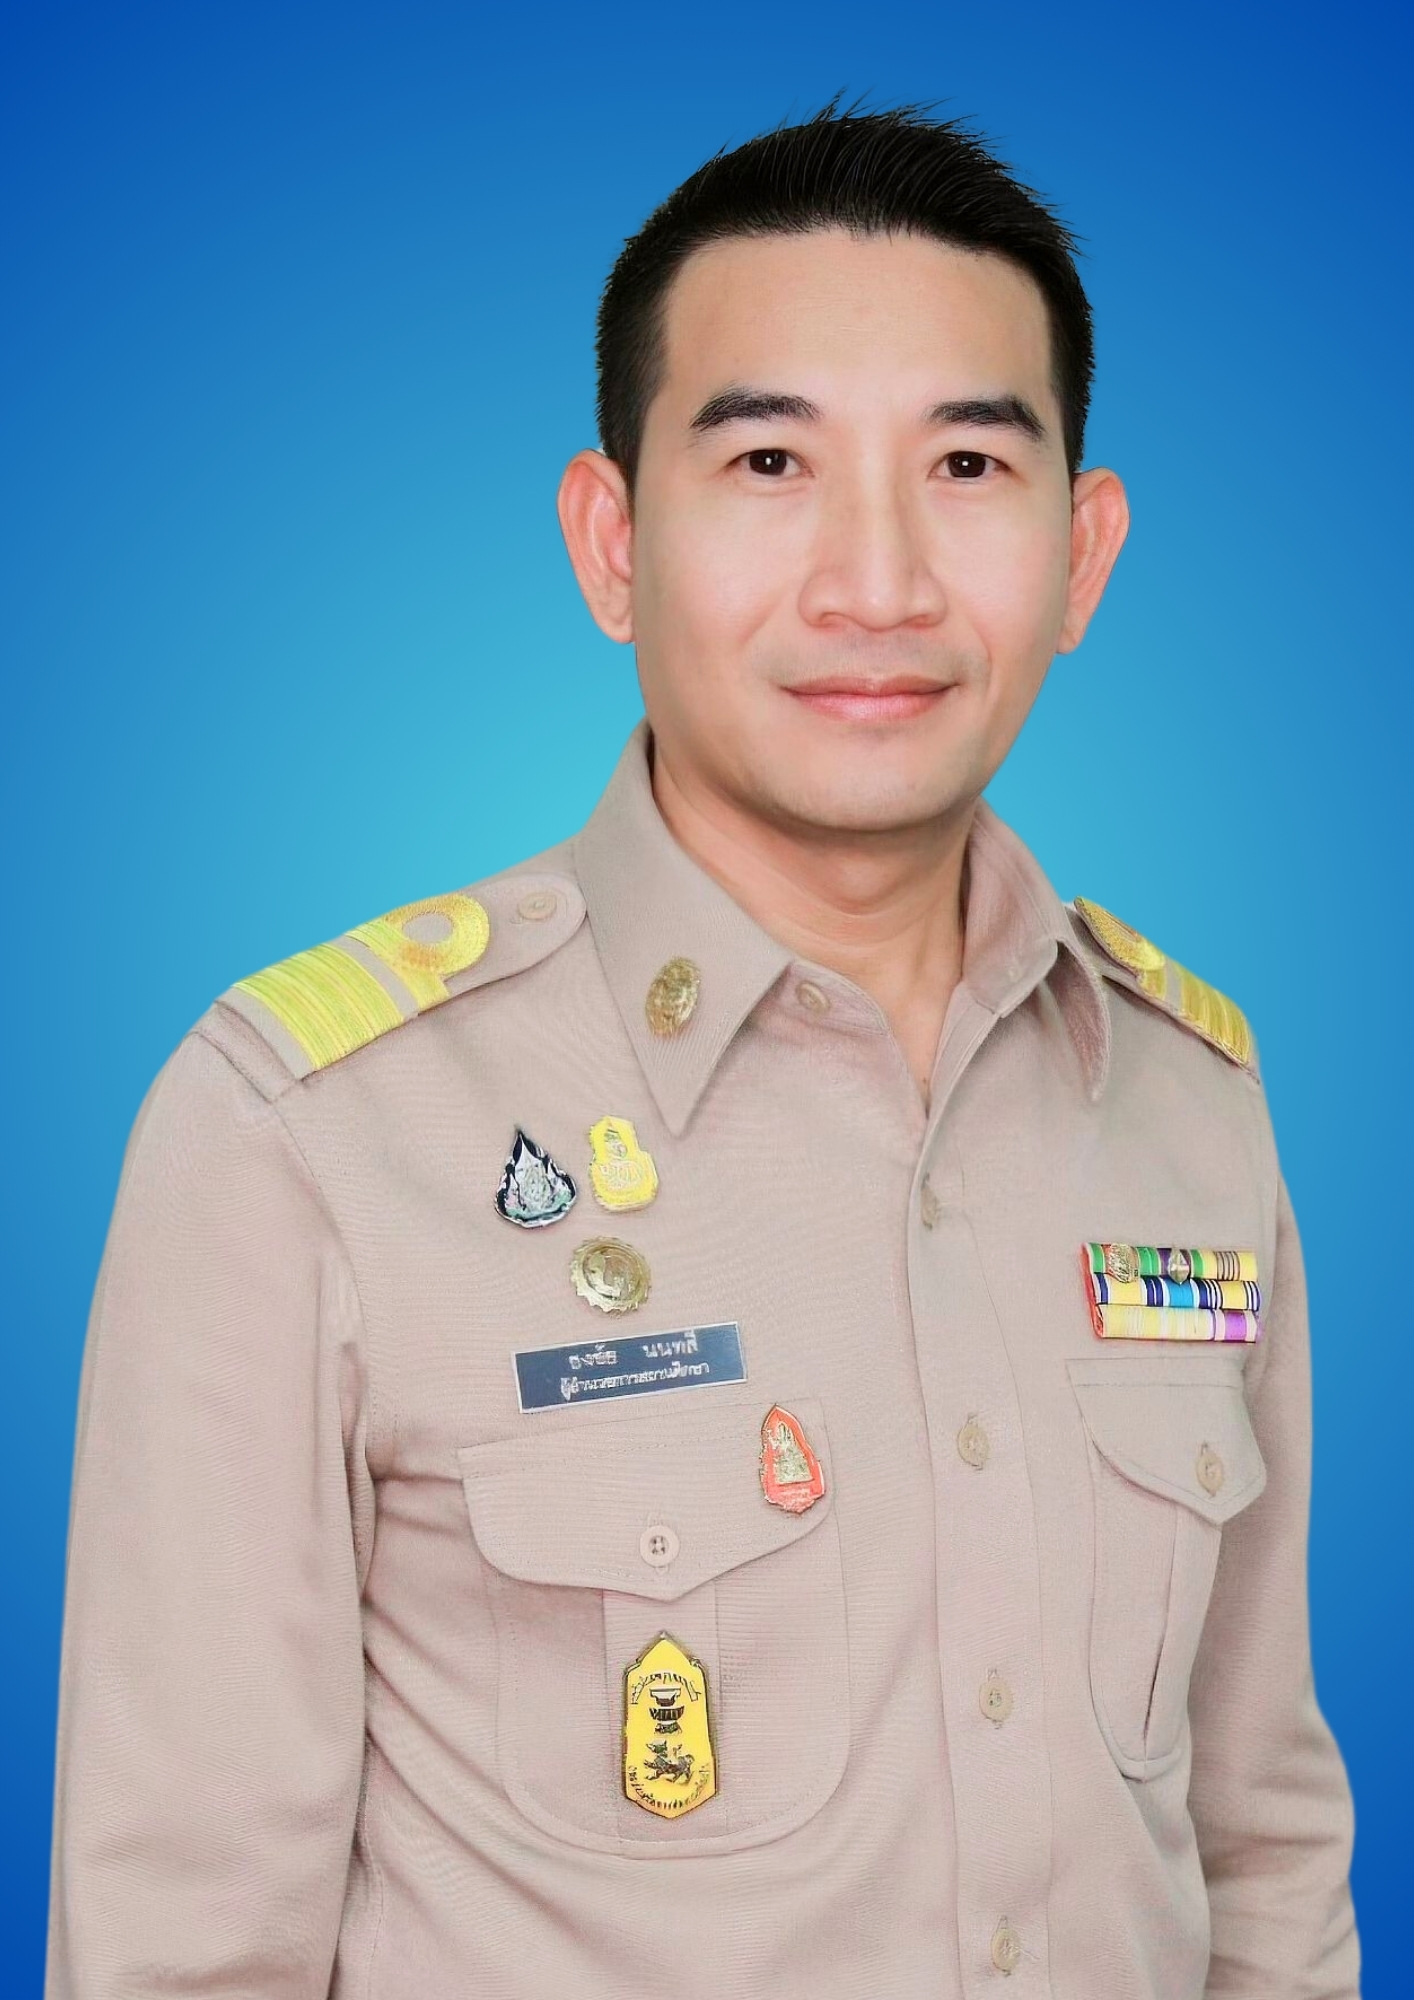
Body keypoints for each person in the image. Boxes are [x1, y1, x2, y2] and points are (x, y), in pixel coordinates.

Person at [44, 99, 1361, 1999]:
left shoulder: (1186, 1104)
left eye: (966, 464)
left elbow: (1260, 1841)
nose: (876, 583)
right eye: (767, 460)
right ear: (612, 542)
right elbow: (182, 1943)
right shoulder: (307, 1134)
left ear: (1081, 556)